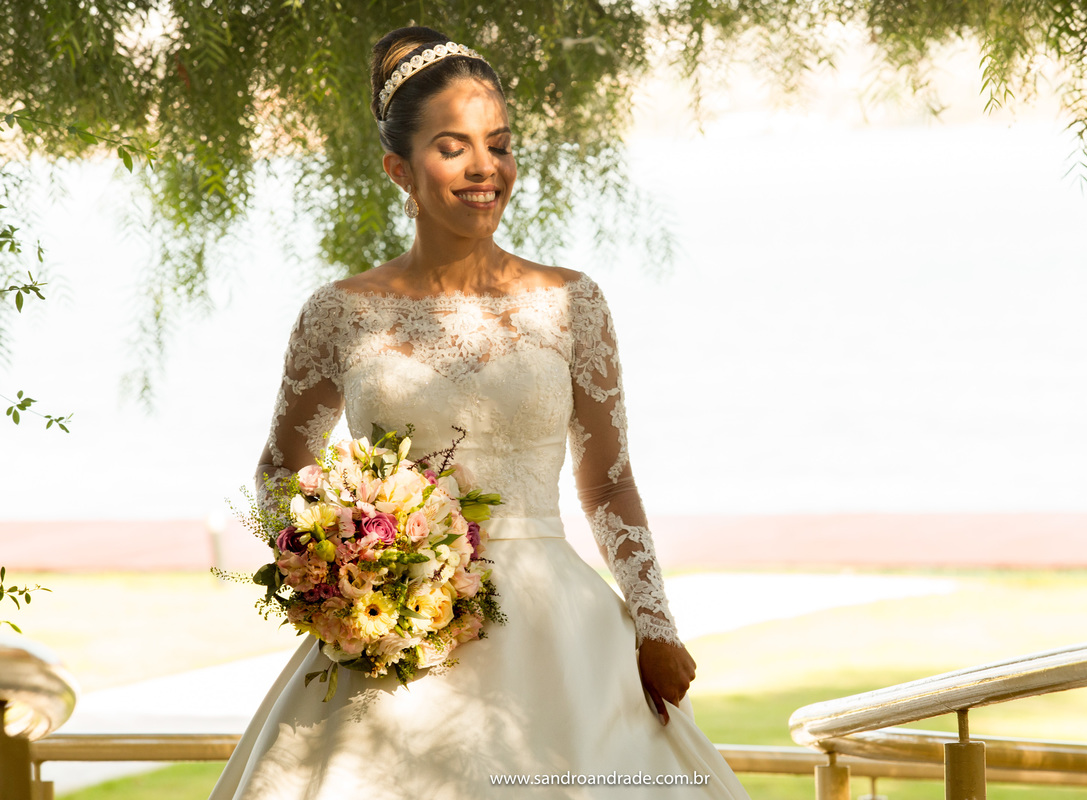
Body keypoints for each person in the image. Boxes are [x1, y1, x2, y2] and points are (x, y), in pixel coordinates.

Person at [209, 26, 751, 799]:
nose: (485, 168)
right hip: (390, 643)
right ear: (399, 167)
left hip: (558, 629)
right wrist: (331, 569)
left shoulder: (572, 304)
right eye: (453, 146)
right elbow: (278, 468)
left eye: (498, 144)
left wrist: (655, 622)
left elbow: (608, 483)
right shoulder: (337, 314)